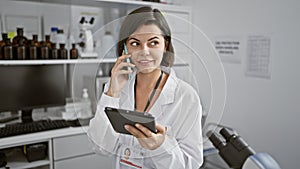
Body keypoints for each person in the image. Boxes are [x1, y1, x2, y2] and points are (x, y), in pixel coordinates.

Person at [88, 6, 203, 169]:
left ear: (165, 45)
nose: (145, 52)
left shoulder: (186, 96)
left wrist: (160, 147)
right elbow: (100, 147)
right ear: (125, 48)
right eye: (135, 43)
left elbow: (190, 164)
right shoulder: (116, 88)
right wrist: (112, 93)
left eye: (154, 42)